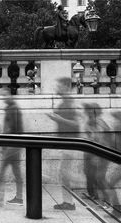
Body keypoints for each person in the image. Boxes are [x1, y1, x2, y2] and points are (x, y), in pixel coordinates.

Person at [47, 77, 79, 210]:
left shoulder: (71, 103)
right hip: (65, 143)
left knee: (64, 173)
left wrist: (59, 119)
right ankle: (68, 201)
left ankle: (69, 202)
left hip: (70, 144)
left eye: (59, 86)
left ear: (66, 87)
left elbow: (77, 124)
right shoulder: (64, 103)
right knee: (63, 173)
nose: (56, 88)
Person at [0, 97, 23, 207]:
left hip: (11, 146)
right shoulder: (14, 108)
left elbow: (10, 129)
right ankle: (19, 198)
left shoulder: (12, 110)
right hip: (16, 145)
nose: (3, 98)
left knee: (1, 171)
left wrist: (2, 142)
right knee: (17, 173)